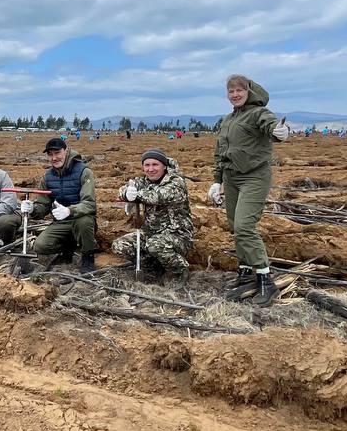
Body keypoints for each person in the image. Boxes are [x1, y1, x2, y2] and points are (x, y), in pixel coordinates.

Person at [209, 75, 291, 307]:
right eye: (231, 91)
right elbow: (220, 152)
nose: (235, 94)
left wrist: (279, 131)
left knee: (245, 226)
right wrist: (217, 181)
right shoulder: (227, 120)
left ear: (249, 91)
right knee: (236, 226)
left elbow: (271, 126)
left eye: (239, 90)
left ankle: (266, 280)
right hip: (231, 177)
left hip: (254, 176)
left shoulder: (258, 113)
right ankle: (245, 275)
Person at [113, 149, 194, 281]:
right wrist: (127, 192)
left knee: (154, 245)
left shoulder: (176, 181)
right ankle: (153, 268)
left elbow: (158, 196)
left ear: (164, 166)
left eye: (155, 165)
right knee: (120, 245)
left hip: (178, 235)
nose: (151, 169)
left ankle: (179, 272)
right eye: (147, 165)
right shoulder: (144, 181)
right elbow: (124, 188)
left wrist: (136, 195)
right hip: (151, 233)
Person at [31, 137, 97, 272]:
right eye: (50, 154)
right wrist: (32, 209)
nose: (54, 158)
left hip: (81, 219)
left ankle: (88, 258)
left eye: (57, 153)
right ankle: (69, 248)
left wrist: (69, 211)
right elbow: (43, 205)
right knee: (40, 246)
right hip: (60, 223)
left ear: (66, 151)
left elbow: (89, 204)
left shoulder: (84, 172)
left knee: (84, 222)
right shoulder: (47, 176)